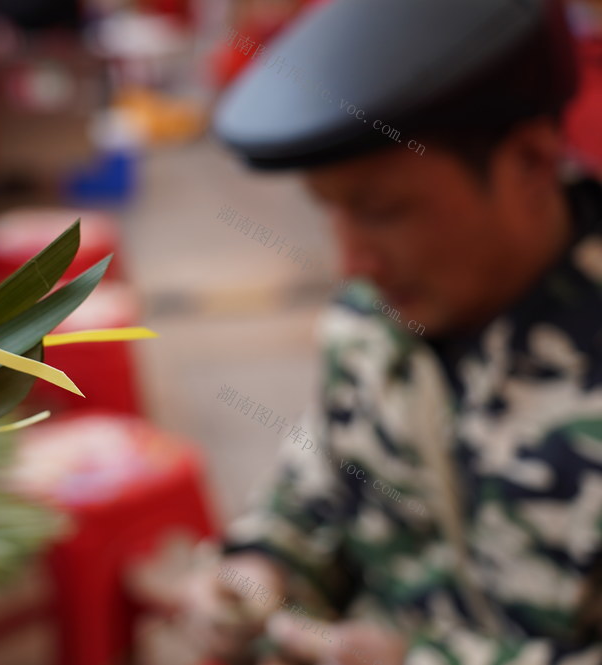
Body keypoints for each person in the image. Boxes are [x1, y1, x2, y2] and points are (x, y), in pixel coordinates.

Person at [184, 0, 602, 663]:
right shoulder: (373, 321)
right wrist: (257, 570)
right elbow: (319, 490)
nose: (352, 262)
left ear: (528, 162)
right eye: (329, 211)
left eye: (384, 211)